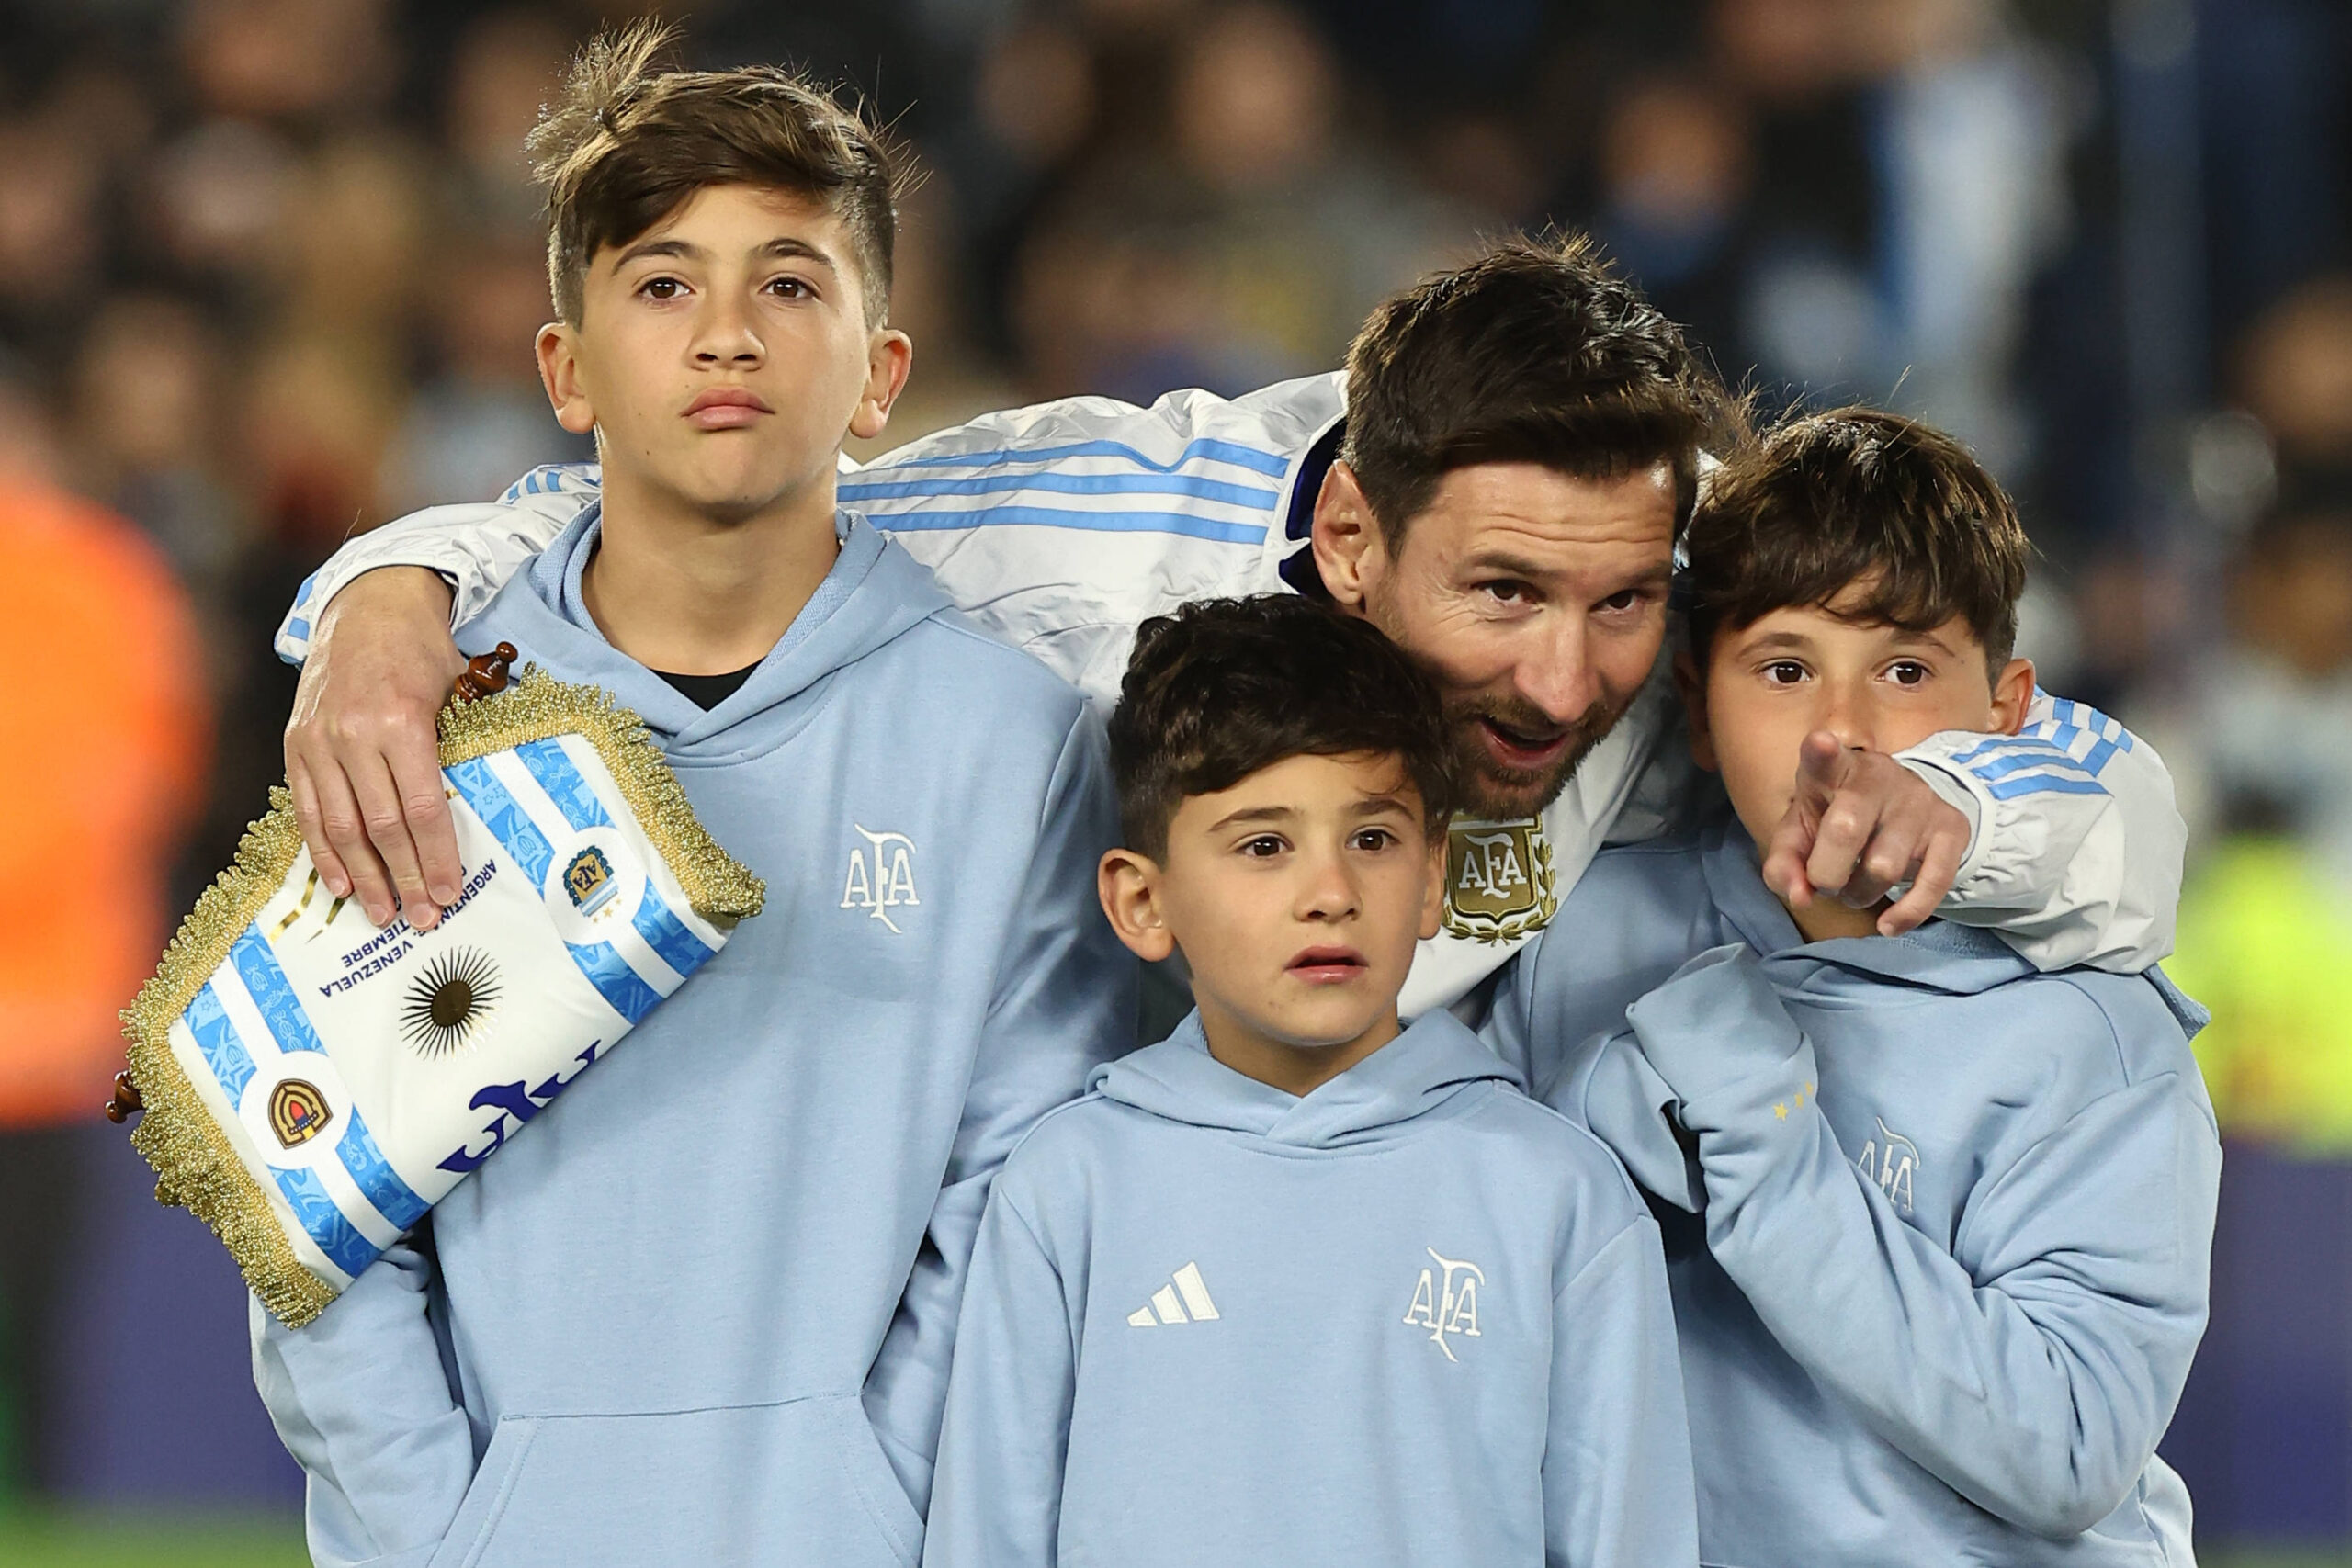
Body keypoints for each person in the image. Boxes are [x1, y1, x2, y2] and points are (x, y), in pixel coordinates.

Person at [268, 238, 2180, 1024]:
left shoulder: (1679, 593)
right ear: (1348, 532)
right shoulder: (1070, 530)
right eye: (1498, 594)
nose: (1563, 681)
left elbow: (2110, 804)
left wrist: (1960, 813)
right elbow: (633, 526)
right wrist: (377, 613)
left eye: (1617, 606)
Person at [247, 28, 1133, 1567]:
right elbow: (319, 1192)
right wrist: (437, 1537)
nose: (729, 332)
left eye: (791, 282)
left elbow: (1023, 1195)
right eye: (664, 282)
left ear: (881, 373)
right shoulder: (408, 719)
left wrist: (877, 1505)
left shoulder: (1021, 740)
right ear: (567, 372)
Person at [1490, 409, 2218, 1566]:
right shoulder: (1572, 924)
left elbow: (2073, 1447)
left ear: (2006, 709)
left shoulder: (2093, 1029)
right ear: (1693, 697)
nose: (1841, 730)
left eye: (1904, 669)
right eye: (1783, 669)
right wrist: (1583, 1126)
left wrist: (1767, 1156)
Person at [923, 595, 1695, 1568]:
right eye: (1264, 845)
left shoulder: (1558, 1194)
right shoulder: (1067, 1185)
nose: (1330, 892)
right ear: (1142, 899)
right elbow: (988, 1534)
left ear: (1430, 880)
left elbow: (1629, 1538)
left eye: (1371, 839)